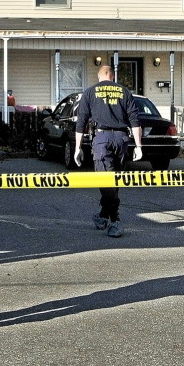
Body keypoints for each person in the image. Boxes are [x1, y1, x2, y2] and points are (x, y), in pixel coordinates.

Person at [73, 64, 143, 238]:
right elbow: (135, 120)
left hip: (102, 139)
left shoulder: (90, 92)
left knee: (106, 182)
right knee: (114, 182)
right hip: (122, 140)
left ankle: (115, 220)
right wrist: (139, 146)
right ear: (112, 76)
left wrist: (77, 148)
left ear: (99, 77)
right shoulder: (124, 92)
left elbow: (81, 121)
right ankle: (103, 216)